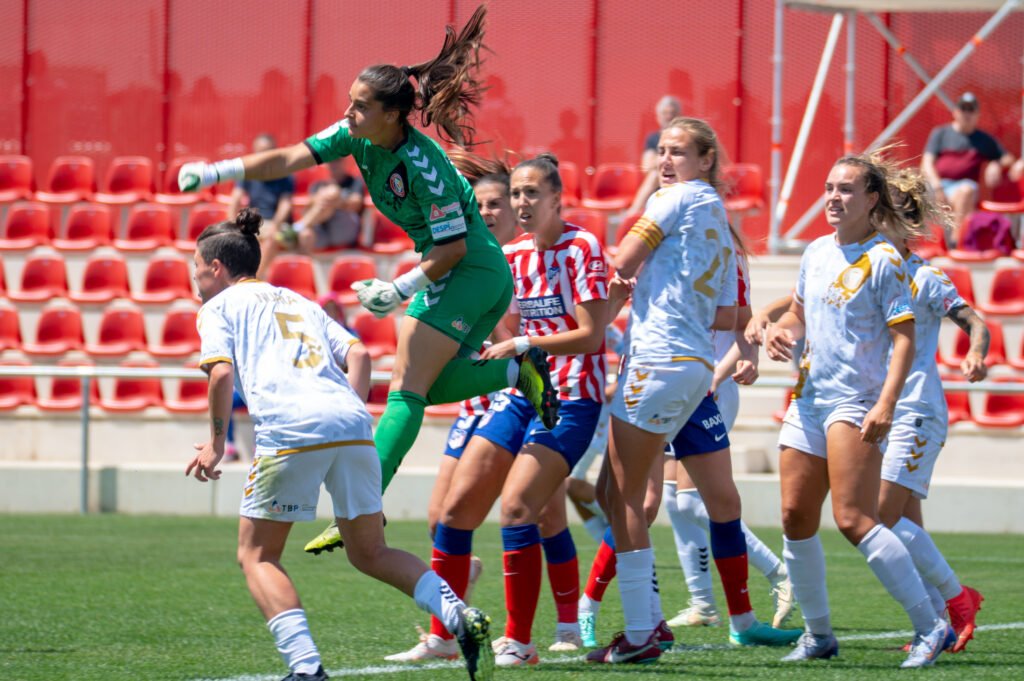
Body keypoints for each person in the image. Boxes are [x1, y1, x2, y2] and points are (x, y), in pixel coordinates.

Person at [178, 5, 560, 555]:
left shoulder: (421, 165)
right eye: (350, 103)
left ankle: (363, 510)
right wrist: (220, 171)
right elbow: (289, 157)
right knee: (421, 388)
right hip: (468, 271)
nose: (348, 113)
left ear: (391, 115)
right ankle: (512, 370)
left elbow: (452, 246)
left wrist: (400, 288)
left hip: (467, 269)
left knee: (405, 388)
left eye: (360, 106)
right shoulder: (356, 137)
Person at [185, 208, 493, 681]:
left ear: (216, 268)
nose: (195, 281)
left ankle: (306, 667)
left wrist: (215, 443)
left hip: (292, 429)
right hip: (350, 423)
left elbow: (221, 372)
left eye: (196, 270)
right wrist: (340, 412)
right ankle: (459, 617)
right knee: (370, 551)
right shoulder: (296, 300)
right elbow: (359, 352)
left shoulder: (216, 308)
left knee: (258, 556)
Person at [587, 117, 800, 666]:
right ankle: (742, 620)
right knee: (716, 500)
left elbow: (621, 262)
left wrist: (590, 295)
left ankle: (640, 629)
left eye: (678, 152)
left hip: (656, 363)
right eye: (661, 150)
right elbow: (730, 312)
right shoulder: (718, 218)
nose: (664, 161)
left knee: (626, 498)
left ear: (707, 160)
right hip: (695, 373)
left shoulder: (670, 201)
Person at [413, 154, 612, 667]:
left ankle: (521, 642)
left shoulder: (583, 246)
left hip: (570, 398)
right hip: (520, 392)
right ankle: (444, 635)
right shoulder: (514, 255)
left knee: (522, 509)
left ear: (555, 199)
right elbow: (503, 329)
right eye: (516, 193)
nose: (521, 203)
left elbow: (592, 335)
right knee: (454, 514)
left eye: (530, 194)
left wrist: (523, 342)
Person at [761, 152, 953, 668]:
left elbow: (905, 338)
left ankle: (931, 626)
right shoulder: (815, 252)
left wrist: (887, 403)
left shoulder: (885, 259)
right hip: (809, 399)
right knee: (794, 517)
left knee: (852, 519)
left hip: (856, 401)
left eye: (847, 189)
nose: (833, 197)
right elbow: (799, 316)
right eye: (829, 186)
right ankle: (819, 635)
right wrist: (780, 331)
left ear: (872, 200)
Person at [876, 166, 988, 654]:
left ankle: (959, 598)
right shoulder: (869, 272)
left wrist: (977, 351)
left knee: (878, 515)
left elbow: (974, 320)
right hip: (882, 410)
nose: (877, 219)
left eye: (885, 212)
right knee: (907, 523)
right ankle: (937, 624)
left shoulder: (924, 277)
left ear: (905, 223)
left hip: (916, 410)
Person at [661, 238, 796, 632]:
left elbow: (743, 330)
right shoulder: (673, 253)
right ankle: (702, 603)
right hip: (680, 390)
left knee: (690, 503)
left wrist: (715, 378)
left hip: (712, 390)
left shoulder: (726, 259)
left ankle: (778, 572)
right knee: (673, 500)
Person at [921, 91, 1019, 243]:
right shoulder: (940, 133)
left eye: (971, 109)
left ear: (977, 114)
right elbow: (926, 163)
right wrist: (937, 186)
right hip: (937, 185)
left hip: (962, 188)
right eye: (963, 108)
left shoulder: (983, 139)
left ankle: (956, 243)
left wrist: (995, 163)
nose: (967, 113)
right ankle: (915, 245)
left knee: (966, 191)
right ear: (955, 112)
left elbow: (1008, 158)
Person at [274, 158, 366, 258]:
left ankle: (297, 228)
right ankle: (302, 270)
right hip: (322, 229)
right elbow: (307, 210)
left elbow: (356, 204)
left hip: (344, 229)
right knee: (305, 235)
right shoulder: (317, 185)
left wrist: (337, 201)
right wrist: (322, 199)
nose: (334, 164)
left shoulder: (354, 182)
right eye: (331, 161)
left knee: (333, 192)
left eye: (337, 160)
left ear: (344, 162)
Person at [626, 96, 681, 215]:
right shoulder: (653, 139)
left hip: (683, 178)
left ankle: (633, 212)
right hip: (662, 180)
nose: (669, 116)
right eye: (665, 113)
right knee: (655, 174)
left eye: (673, 113)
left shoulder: (687, 137)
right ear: (658, 116)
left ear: (679, 116)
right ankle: (632, 214)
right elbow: (646, 166)